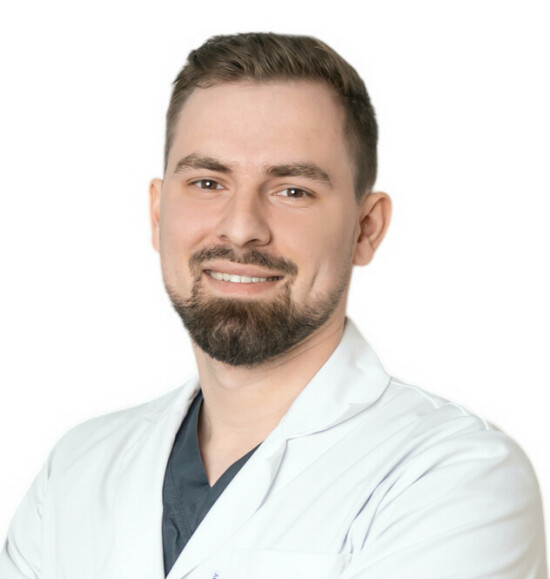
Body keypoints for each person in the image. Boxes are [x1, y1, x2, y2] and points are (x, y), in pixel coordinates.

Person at [0, 32, 546, 579]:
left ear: (365, 228)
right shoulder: (75, 470)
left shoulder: (457, 479)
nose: (241, 229)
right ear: (158, 214)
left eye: (292, 191)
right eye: (208, 182)